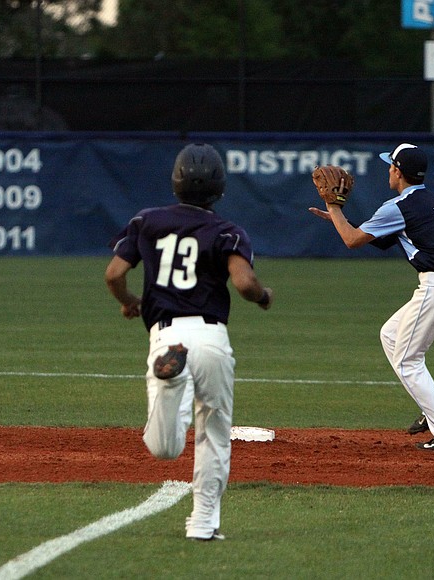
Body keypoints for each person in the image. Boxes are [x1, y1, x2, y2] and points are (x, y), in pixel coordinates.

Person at [105, 143, 273, 541]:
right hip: (212, 336)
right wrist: (264, 296)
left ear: (175, 182)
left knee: (164, 449)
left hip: (167, 335)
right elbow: (244, 283)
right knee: (214, 434)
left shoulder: (147, 221)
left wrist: (130, 302)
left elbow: (113, 274)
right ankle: (202, 525)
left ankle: (172, 382)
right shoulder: (228, 231)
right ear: (220, 188)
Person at [308, 143, 434, 451]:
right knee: (391, 334)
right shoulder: (429, 200)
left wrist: (334, 206)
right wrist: (338, 219)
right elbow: (376, 237)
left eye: (390, 166)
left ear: (398, 171)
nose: (388, 170)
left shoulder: (398, 206)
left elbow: (353, 241)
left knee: (408, 361)